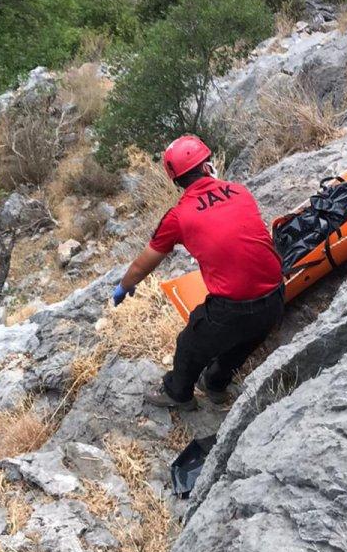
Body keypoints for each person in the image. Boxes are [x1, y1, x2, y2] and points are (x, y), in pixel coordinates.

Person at [113, 134, 285, 411]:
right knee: (243, 344)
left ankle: (178, 394)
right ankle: (215, 385)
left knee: (190, 345)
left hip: (233, 308)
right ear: (207, 168)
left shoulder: (178, 216)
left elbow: (143, 263)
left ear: (178, 181)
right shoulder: (239, 190)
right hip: (277, 298)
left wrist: (125, 285)